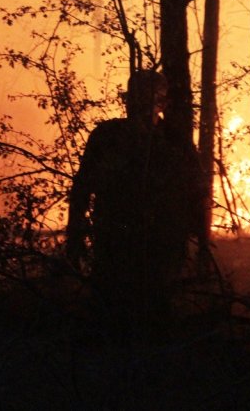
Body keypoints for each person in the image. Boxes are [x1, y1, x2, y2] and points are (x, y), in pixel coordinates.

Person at [65, 70, 205, 332]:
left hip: (160, 243)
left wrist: (199, 243)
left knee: (155, 315)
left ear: (163, 104)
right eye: (134, 98)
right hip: (115, 238)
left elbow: (197, 193)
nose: (137, 104)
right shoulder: (107, 136)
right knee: (109, 314)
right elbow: (83, 187)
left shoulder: (175, 142)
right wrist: (74, 235)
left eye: (146, 98)